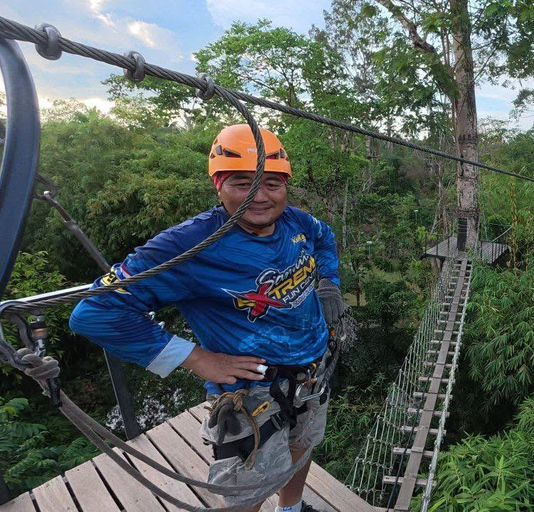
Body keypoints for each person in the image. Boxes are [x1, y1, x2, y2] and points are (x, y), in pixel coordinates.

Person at [69, 124, 347, 512]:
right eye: (242, 184)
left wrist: (329, 282)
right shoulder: (190, 246)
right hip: (254, 390)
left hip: (313, 369)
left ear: (286, 186)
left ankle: (291, 509)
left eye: (272, 184)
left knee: (304, 444)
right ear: (218, 185)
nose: (260, 197)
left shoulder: (296, 223)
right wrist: (197, 358)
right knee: (247, 488)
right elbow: (94, 313)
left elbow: (324, 237)